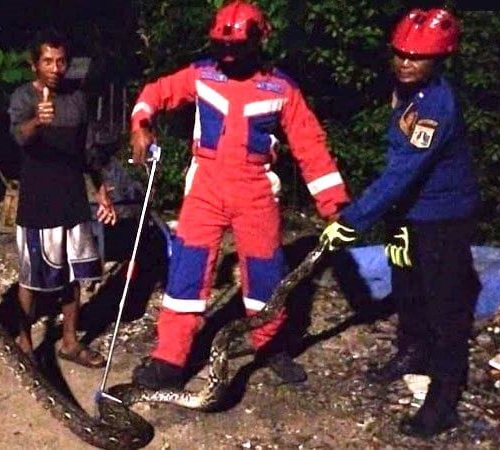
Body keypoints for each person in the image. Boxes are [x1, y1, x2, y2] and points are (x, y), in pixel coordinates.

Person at [129, 0, 350, 389]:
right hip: (206, 186)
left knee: (266, 273)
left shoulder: (281, 88)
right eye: (221, 47)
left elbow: (310, 146)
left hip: (256, 191)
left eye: (237, 48)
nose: (228, 56)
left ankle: (271, 346)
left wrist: (334, 206)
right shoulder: (201, 75)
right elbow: (156, 92)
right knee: (187, 270)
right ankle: (169, 359)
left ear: (259, 41)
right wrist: (140, 122)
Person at [320, 8, 480, 438]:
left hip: (442, 218)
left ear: (439, 60)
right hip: (410, 213)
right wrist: (393, 219)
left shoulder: (435, 106)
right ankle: (413, 352)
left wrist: (352, 220)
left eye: (418, 57)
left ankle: (443, 400)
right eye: (401, 54)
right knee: (407, 285)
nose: (406, 62)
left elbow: (402, 173)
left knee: (445, 308)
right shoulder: (406, 92)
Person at [7, 29, 117, 369]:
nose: (55, 68)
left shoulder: (77, 99)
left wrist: (101, 190)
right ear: (34, 64)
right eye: (47, 61)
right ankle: (24, 342)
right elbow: (18, 136)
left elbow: (88, 151)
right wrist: (37, 121)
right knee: (31, 277)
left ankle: (69, 342)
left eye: (60, 61)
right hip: (38, 202)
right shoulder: (23, 97)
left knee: (73, 274)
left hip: (72, 199)